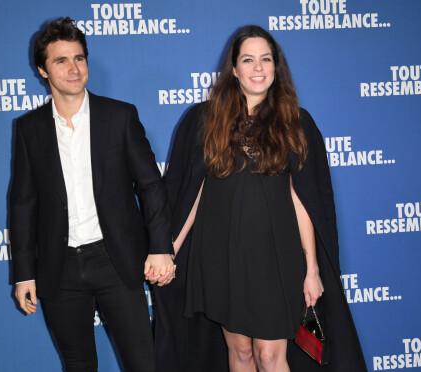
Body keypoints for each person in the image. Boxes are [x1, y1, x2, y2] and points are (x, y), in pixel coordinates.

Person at [153, 25, 367, 372]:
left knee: (271, 357)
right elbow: (194, 191)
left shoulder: (295, 122)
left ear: (275, 67)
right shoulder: (205, 119)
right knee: (239, 353)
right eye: (248, 59)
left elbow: (304, 201)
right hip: (220, 255)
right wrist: (170, 247)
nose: (258, 68)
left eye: (265, 59)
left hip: (275, 258)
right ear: (234, 69)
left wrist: (311, 268)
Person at [10, 17, 175, 372]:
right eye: (61, 60)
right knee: (78, 364)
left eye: (79, 58)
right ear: (42, 70)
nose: (74, 69)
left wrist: (161, 247)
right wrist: (24, 272)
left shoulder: (119, 117)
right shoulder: (29, 129)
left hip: (116, 261)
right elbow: (23, 203)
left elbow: (150, 185)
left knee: (143, 363)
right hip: (59, 267)